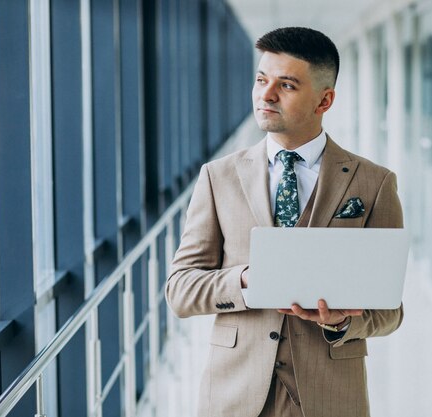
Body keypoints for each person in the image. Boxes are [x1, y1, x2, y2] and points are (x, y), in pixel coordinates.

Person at [166, 26, 404, 417]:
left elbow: (390, 310)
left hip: (330, 398)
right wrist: (245, 279)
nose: (266, 94)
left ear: (324, 100)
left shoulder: (374, 184)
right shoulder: (218, 176)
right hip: (235, 394)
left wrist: (342, 324)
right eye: (261, 79)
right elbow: (180, 290)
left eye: (287, 85)